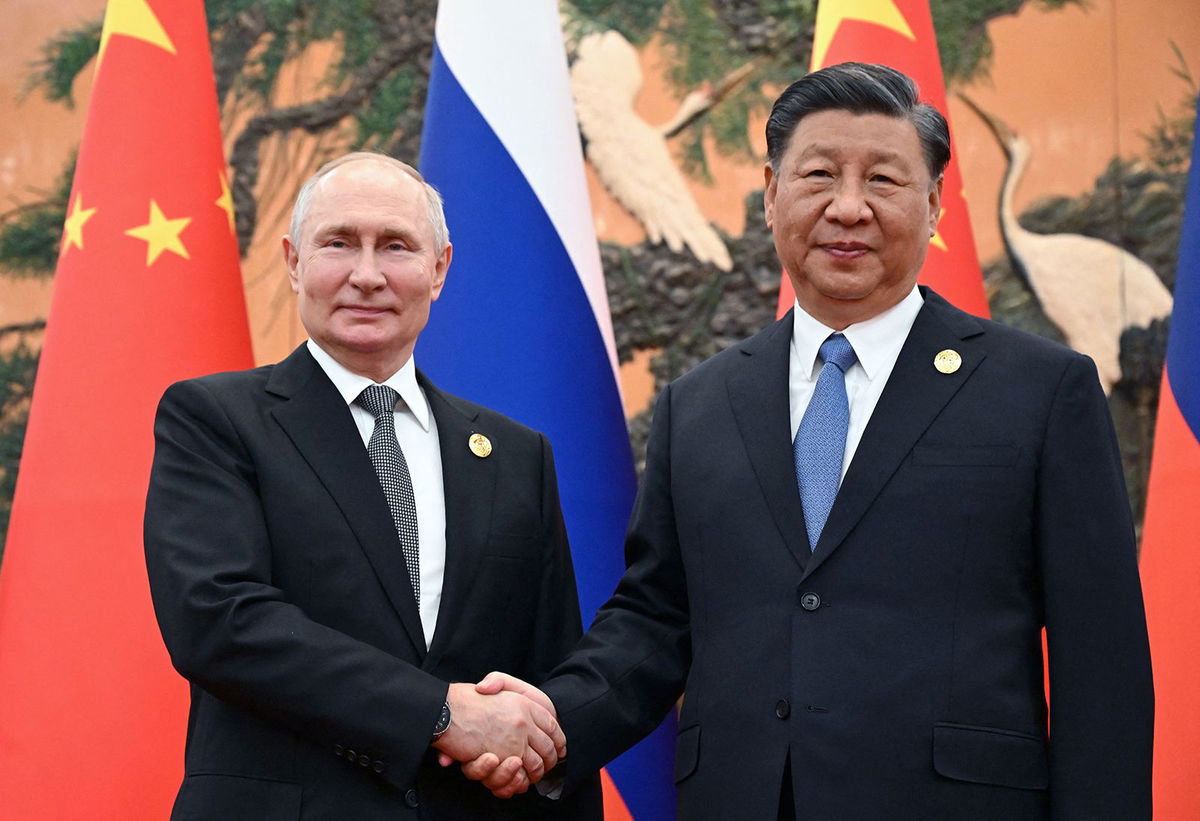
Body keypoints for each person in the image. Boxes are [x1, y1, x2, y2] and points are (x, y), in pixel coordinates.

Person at [466, 62, 1154, 819]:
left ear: (932, 206)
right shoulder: (700, 403)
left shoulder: (1041, 390)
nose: (848, 207)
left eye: (885, 181)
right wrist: (550, 722)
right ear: (770, 194)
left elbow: (1104, 662)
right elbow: (655, 621)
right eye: (819, 174)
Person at [143, 152, 602, 820]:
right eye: (338, 243)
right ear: (294, 260)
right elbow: (220, 621)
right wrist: (440, 714)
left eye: (395, 246)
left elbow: (548, 677)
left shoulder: (515, 454)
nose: (366, 275)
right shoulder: (214, 419)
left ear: (439, 268)